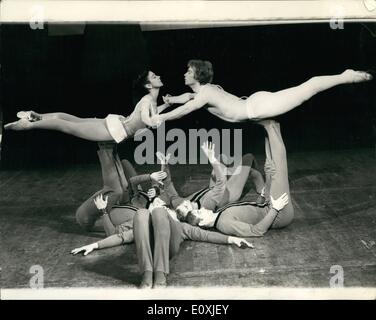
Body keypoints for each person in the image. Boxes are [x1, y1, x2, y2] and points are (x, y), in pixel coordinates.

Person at [153, 60, 372, 125]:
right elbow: (187, 99)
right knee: (306, 88)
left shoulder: (205, 94)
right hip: (254, 102)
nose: (184, 74)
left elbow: (187, 109)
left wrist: (161, 117)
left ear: (197, 76)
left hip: (257, 107)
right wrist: (171, 100)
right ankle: (346, 75)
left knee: (308, 88)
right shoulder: (205, 91)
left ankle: (348, 75)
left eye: (188, 71)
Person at [178, 120, 294, 238]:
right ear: (202, 222)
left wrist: (262, 197)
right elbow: (256, 231)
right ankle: (269, 125)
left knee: (269, 166)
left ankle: (272, 124)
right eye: (198, 212)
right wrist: (275, 209)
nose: (201, 209)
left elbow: (251, 211)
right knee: (278, 168)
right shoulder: (224, 224)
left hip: (267, 205)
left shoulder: (219, 214)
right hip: (279, 214)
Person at [4, 71, 171, 143]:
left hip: (116, 123)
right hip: (115, 130)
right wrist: (153, 122)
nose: (159, 76)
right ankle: (29, 124)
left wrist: (166, 106)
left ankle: (38, 115)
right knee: (67, 126)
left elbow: (152, 114)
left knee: (72, 120)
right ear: (149, 86)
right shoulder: (148, 100)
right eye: (155, 76)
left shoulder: (151, 101)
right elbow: (145, 118)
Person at [156, 142, 266, 221]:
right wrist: (211, 159)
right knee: (248, 157)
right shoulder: (207, 205)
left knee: (222, 158)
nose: (184, 202)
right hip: (228, 193)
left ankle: (245, 172)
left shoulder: (181, 204)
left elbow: (168, 186)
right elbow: (221, 182)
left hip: (213, 189)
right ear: (192, 213)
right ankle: (259, 183)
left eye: (181, 204)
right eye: (186, 206)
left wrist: (164, 164)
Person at [76, 142, 167, 232]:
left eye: (162, 207)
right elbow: (133, 182)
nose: (163, 204)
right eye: (165, 206)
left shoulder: (137, 219)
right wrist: (152, 178)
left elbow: (112, 233)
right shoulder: (147, 200)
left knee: (116, 191)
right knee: (125, 164)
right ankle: (111, 145)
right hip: (114, 205)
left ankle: (105, 146)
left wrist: (103, 211)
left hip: (89, 219)